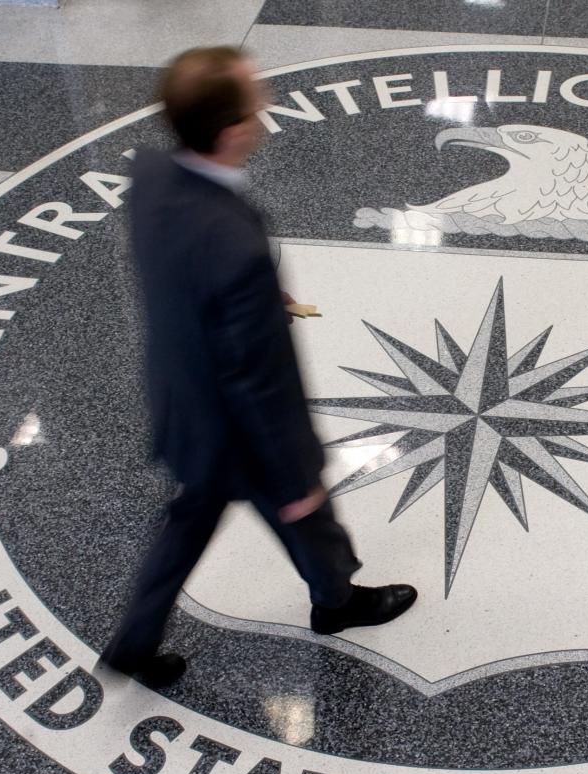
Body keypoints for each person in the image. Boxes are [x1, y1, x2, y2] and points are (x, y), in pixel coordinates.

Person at [101, 46, 416, 688]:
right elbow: (258, 381)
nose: (265, 109)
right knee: (306, 511)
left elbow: (180, 268)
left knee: (188, 523)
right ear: (231, 131)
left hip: (181, 401)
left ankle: (133, 642)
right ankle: (337, 603)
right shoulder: (235, 249)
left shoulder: (154, 174)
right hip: (238, 429)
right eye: (255, 102)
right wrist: (295, 470)